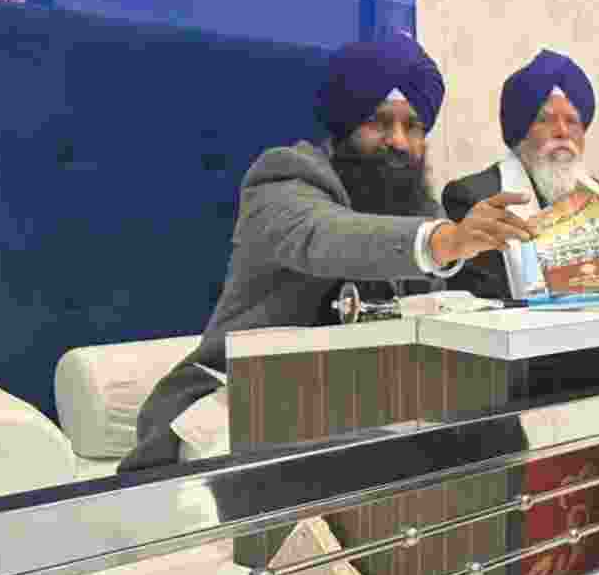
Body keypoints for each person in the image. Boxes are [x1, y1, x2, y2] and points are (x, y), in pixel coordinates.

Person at [119, 35, 534, 472]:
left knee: (491, 432)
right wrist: (441, 242)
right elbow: (323, 236)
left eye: (412, 127)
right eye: (379, 122)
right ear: (343, 126)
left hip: (355, 401)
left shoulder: (417, 206)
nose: (398, 141)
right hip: (239, 398)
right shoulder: (283, 179)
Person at [441, 49, 599, 300]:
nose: (562, 132)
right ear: (520, 133)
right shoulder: (476, 198)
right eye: (546, 120)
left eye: (573, 121)